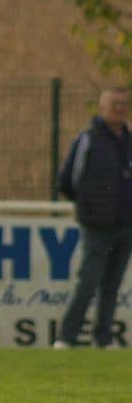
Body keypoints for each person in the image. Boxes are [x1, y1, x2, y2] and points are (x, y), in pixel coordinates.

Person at [54, 86, 132, 350]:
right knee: (87, 283)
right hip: (96, 226)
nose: (120, 109)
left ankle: (102, 339)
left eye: (123, 104)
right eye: (114, 104)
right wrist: (90, 208)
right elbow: (66, 181)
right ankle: (66, 338)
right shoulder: (89, 138)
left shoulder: (128, 141)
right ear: (102, 107)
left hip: (126, 226)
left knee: (112, 288)